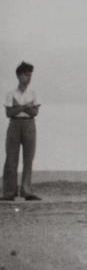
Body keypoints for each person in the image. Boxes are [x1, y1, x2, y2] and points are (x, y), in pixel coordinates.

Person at [3, 62, 40, 201]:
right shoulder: (10, 93)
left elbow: (35, 112)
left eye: (30, 75)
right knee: (11, 158)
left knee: (28, 158)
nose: (28, 78)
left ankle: (27, 191)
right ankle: (9, 192)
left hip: (29, 124)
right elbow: (9, 112)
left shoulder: (34, 93)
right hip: (14, 124)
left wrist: (18, 106)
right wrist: (25, 106)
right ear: (19, 76)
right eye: (26, 75)